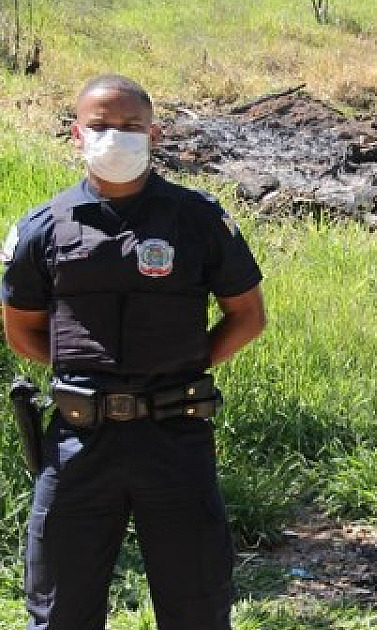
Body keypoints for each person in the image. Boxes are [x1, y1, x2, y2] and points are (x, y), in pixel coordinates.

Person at [2, 74, 267, 630]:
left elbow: (247, 317)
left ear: (154, 134)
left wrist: (180, 363)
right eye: (100, 125)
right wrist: (88, 374)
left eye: (130, 126)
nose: (114, 136)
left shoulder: (198, 220)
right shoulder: (43, 227)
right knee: (59, 613)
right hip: (78, 445)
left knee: (197, 610)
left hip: (176, 437)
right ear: (76, 133)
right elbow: (21, 332)